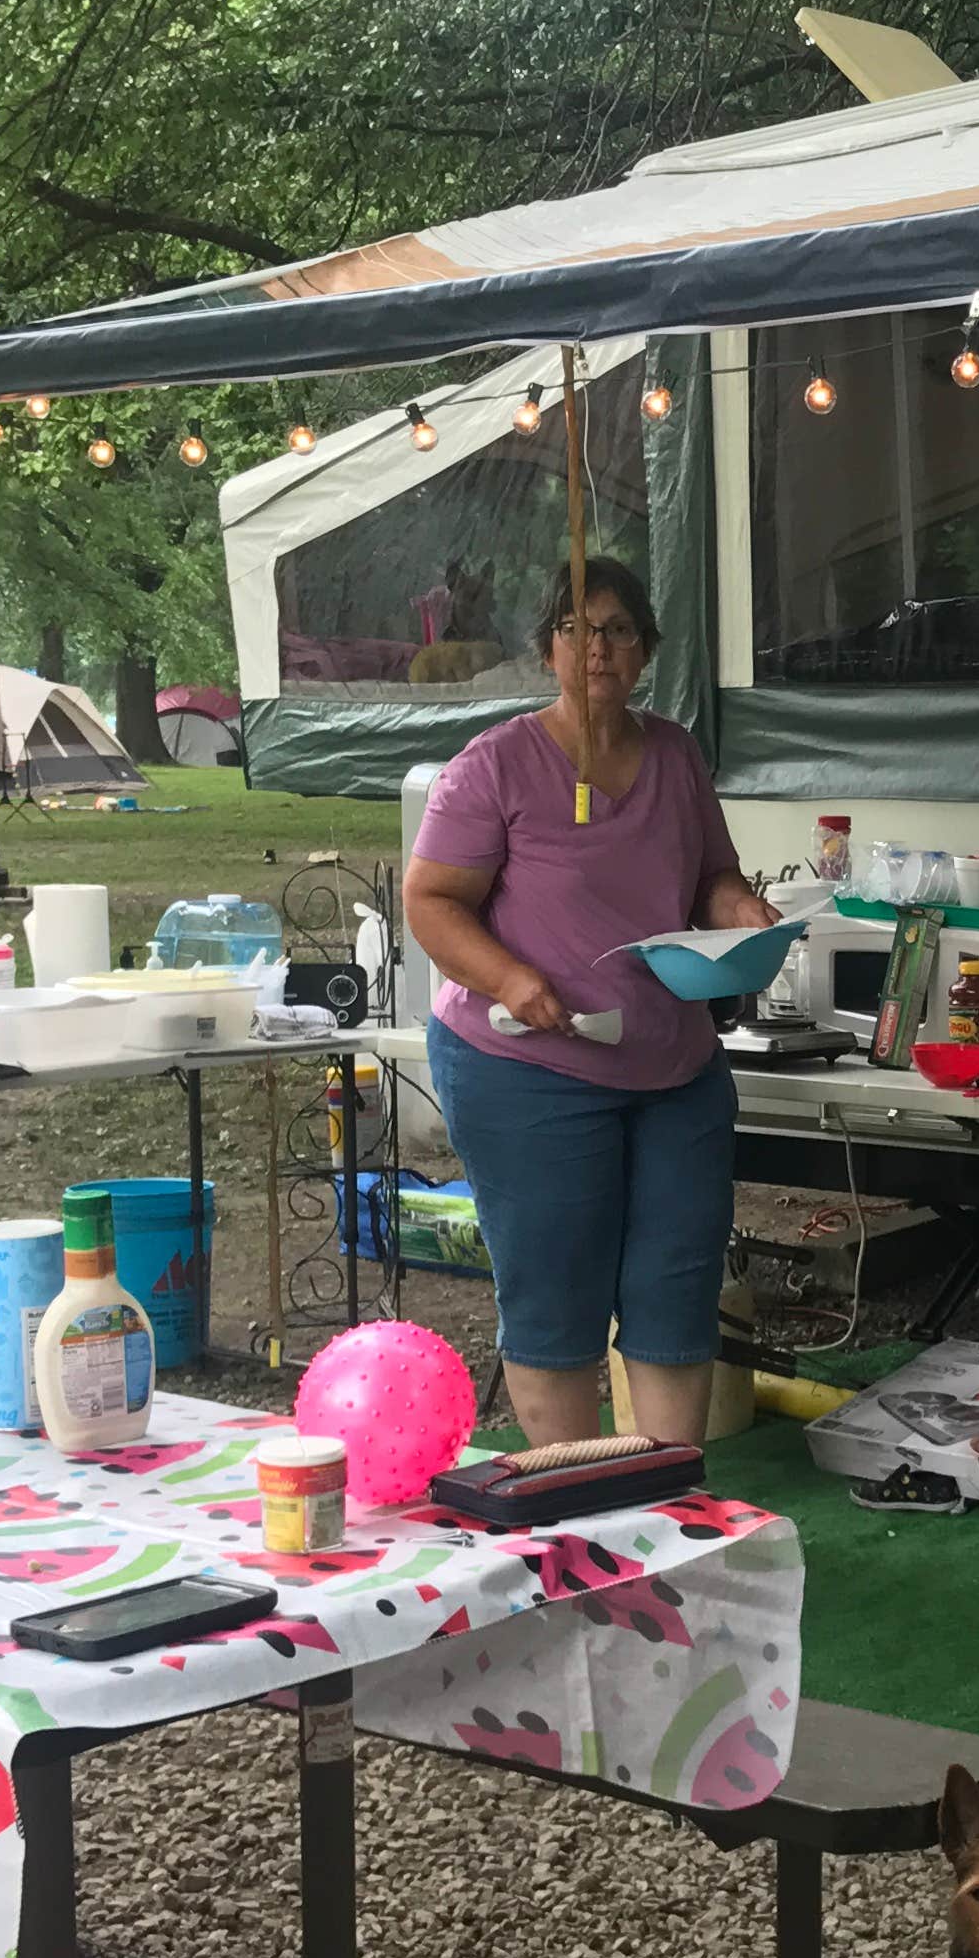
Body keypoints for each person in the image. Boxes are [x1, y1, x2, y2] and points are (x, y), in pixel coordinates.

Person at [401, 556, 775, 1448]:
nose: (597, 646)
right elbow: (430, 901)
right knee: (556, 1281)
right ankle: (573, 1499)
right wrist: (512, 980)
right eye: (576, 628)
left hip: (671, 1065)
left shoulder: (676, 754)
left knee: (677, 1280)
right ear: (548, 652)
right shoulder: (495, 764)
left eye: (617, 629)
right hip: (527, 1063)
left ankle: (668, 1497)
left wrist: (741, 913)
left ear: (644, 650)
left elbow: (709, 876)